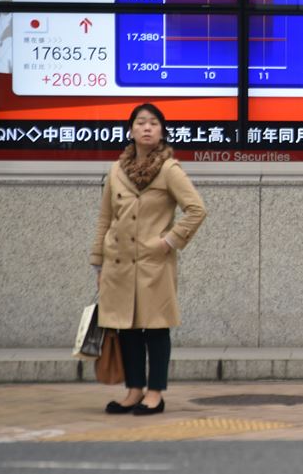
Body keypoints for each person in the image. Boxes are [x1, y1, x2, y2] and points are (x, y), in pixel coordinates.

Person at [90, 103, 207, 415]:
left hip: (154, 264)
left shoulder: (170, 170)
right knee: (126, 329)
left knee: (155, 329)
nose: (146, 128)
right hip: (118, 263)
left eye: (153, 123)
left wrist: (167, 241)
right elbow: (104, 219)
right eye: (140, 123)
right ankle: (133, 391)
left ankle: (155, 393)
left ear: (162, 131)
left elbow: (197, 210)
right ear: (131, 130)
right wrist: (98, 263)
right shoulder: (116, 171)